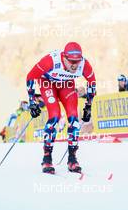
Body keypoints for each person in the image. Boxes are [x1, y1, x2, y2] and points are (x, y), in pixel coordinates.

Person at [26, 42, 96, 174]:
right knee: (54, 116)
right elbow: (30, 76)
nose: (75, 65)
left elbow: (92, 82)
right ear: (64, 57)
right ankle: (47, 158)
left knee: (74, 120)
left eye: (77, 61)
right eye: (71, 61)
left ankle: (72, 159)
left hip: (66, 84)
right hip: (47, 83)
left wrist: (88, 106)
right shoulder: (51, 61)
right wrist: (32, 102)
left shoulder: (84, 64)